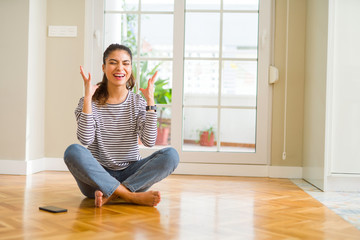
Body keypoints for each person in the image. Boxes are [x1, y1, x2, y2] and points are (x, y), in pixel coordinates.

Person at [63, 44, 179, 207]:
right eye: (113, 62)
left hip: (131, 176)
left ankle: (112, 195)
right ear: (104, 67)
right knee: (72, 151)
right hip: (97, 178)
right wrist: (88, 98)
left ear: (130, 68)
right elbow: (85, 139)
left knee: (171, 155)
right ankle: (130, 197)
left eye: (125, 63)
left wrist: (150, 101)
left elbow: (149, 141)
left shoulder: (138, 102)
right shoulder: (88, 101)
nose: (120, 68)